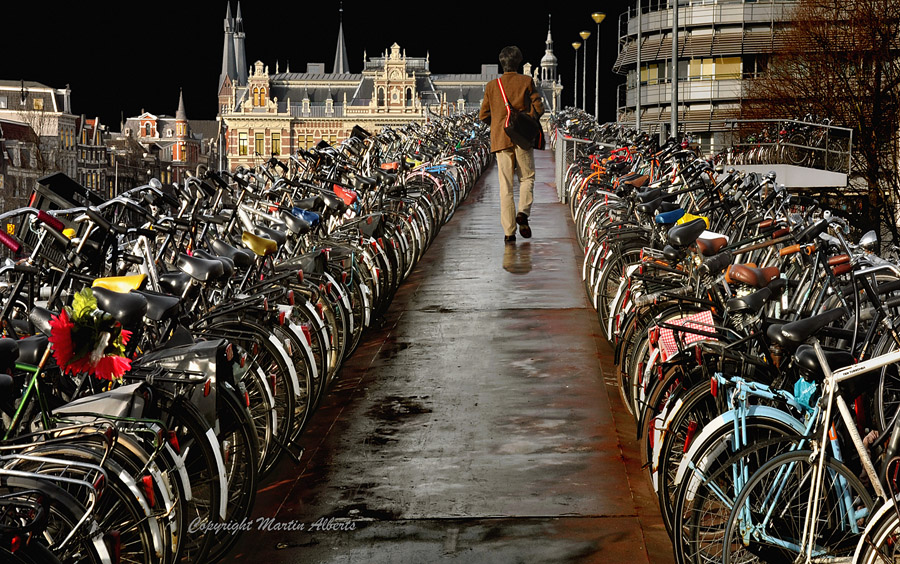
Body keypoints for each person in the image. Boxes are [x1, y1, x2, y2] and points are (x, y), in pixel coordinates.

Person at [479, 46, 544, 244]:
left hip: (501, 140)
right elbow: (539, 107)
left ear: (502, 63)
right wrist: (526, 120)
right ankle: (523, 212)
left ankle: (509, 232)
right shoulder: (526, 81)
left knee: (505, 186)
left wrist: (500, 126)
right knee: (527, 178)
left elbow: (483, 115)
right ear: (518, 62)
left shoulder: (492, 86)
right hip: (522, 138)